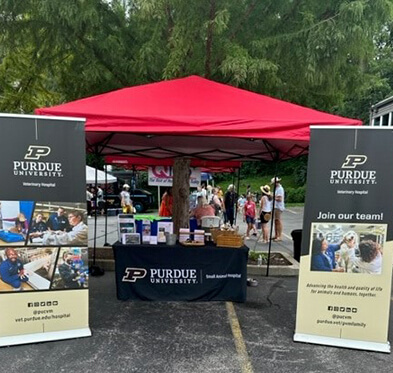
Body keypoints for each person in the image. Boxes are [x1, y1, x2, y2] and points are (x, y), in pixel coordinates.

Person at [271, 177, 285, 242]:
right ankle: (276, 234)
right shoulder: (276, 189)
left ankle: (280, 236)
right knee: (276, 221)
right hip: (275, 206)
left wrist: (272, 196)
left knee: (278, 221)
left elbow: (280, 199)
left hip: (278, 207)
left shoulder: (280, 189)